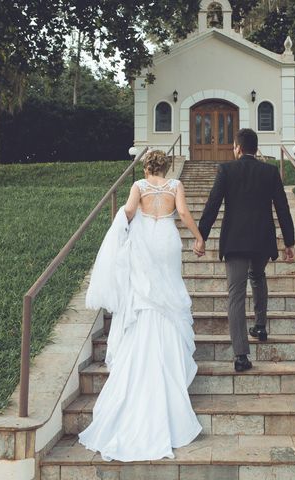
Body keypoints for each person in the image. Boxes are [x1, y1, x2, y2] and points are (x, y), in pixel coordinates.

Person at [79, 150, 206, 462]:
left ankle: (146, 341)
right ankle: (170, 353)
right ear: (165, 167)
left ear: (147, 167)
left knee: (147, 294)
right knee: (170, 291)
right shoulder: (176, 185)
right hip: (168, 240)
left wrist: (120, 239)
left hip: (146, 241)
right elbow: (185, 215)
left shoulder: (138, 186)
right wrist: (199, 238)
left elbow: (128, 213)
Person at [198, 128, 295, 372]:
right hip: (262, 239)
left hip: (235, 240)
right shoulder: (270, 172)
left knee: (236, 294)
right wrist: (289, 242)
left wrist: (201, 235)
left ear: (238, 148)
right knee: (258, 276)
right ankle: (260, 326)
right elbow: (283, 208)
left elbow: (213, 204)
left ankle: (241, 355)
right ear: (256, 148)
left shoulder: (227, 170)